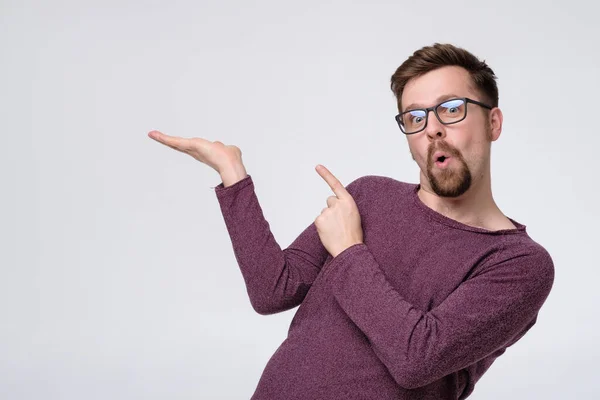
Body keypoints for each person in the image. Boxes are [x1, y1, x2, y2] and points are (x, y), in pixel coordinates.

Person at [147, 43, 555, 400]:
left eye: (451, 109)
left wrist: (348, 251)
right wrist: (233, 175)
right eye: (415, 117)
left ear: (493, 122)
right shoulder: (369, 196)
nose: (432, 129)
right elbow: (272, 291)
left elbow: (416, 358)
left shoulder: (520, 264)